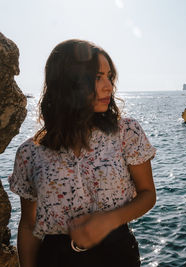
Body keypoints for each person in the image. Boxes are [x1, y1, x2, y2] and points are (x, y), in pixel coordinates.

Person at [8, 39, 157, 267]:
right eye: (98, 78)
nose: (109, 86)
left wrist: (109, 221)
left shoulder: (126, 132)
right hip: (54, 260)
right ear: (68, 82)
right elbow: (29, 225)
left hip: (117, 256)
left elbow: (148, 194)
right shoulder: (29, 153)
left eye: (110, 76)